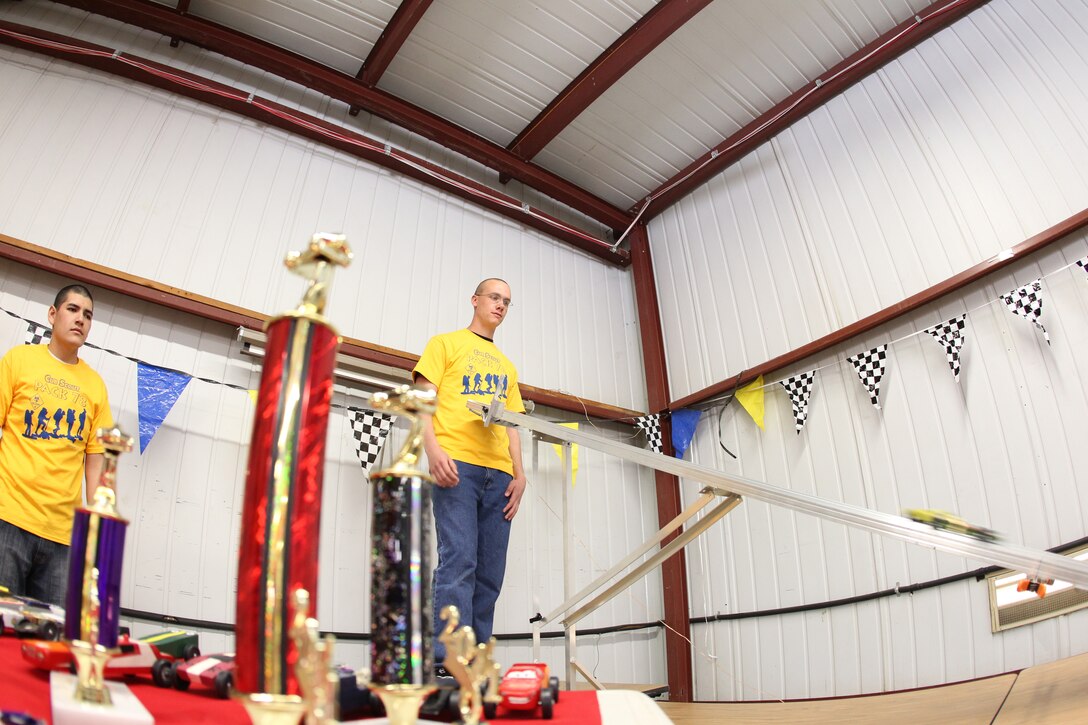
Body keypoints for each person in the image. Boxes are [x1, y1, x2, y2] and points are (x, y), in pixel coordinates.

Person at [413, 278, 527, 665]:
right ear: (475, 300)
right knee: (459, 560)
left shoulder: (508, 367)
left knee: (490, 571)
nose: (500, 306)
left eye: (507, 302)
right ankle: (447, 660)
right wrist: (433, 450)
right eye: (494, 297)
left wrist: (520, 473)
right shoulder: (444, 344)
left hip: (500, 475)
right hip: (456, 465)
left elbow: (512, 425)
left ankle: (475, 660)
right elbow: (420, 402)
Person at [0, 284, 112, 605]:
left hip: (64, 537)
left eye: (87, 315)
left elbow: (96, 462)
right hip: (8, 519)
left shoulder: (95, 386)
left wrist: (99, 532)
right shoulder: (19, 360)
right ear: (53, 314)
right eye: (73, 309)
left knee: (53, 640)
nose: (80, 319)